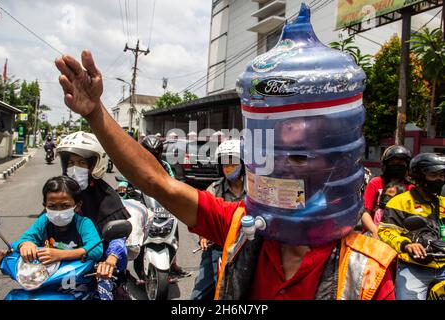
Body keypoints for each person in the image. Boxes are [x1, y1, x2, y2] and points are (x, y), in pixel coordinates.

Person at [54, 48, 397, 300]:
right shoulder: (240, 226)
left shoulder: (366, 270)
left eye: (298, 156)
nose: (283, 167)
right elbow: (157, 182)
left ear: (331, 165)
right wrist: (97, 114)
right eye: (274, 154)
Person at [55, 131, 131, 300]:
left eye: (81, 163)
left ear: (95, 165)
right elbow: (41, 228)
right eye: (71, 162)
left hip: (98, 270)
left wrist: (111, 259)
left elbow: (118, 237)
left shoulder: (107, 197)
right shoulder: (58, 193)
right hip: (58, 267)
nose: (75, 168)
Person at [378, 153, 445, 300]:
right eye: (434, 175)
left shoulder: (443, 203)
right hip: (414, 266)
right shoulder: (399, 202)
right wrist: (407, 245)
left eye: (442, 175)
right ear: (419, 176)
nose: (440, 180)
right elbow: (385, 231)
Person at [191, 139, 246, 300]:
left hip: (246, 247)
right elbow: (203, 214)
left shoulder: (254, 189)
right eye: (225, 163)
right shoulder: (214, 189)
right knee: (198, 296)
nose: (229, 166)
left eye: (233, 162)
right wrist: (203, 236)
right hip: (218, 247)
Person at [140, 134, 191, 280]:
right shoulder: (136, 163)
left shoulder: (165, 166)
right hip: (142, 203)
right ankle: (121, 265)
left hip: (160, 203)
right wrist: (124, 187)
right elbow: (126, 178)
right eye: (149, 151)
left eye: (156, 152)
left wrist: (177, 191)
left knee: (173, 230)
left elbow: (172, 181)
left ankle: (173, 264)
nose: (153, 154)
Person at [361, 145, 412, 238]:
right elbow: (365, 212)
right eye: (393, 163)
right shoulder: (376, 183)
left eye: (401, 163)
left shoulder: (411, 188)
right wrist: (374, 230)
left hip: (400, 236)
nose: (397, 166)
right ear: (385, 165)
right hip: (373, 234)